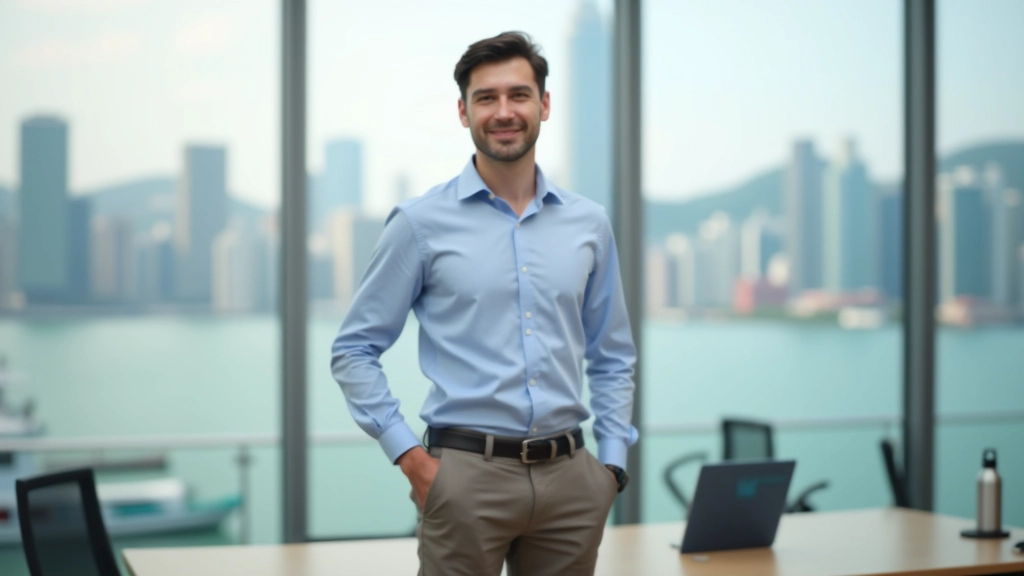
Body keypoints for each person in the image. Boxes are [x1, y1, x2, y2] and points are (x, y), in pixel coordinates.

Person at [330, 31, 637, 576]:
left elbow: (612, 354)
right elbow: (354, 350)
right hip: (464, 479)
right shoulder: (419, 224)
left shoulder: (589, 223)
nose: (504, 111)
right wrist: (412, 460)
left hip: (572, 481)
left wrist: (610, 466)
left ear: (544, 105)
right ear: (463, 112)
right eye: (486, 98)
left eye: (519, 95)